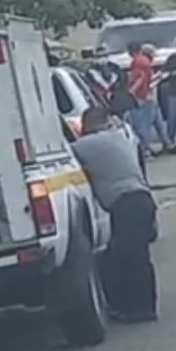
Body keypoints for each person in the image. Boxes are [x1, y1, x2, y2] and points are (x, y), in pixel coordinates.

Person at [71, 107, 159, 322]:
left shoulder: (84, 145)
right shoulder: (119, 137)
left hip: (126, 204)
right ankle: (137, 306)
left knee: (130, 258)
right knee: (128, 256)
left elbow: (66, 157)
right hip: (141, 200)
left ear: (86, 125)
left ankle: (139, 310)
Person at [125, 43, 173, 156]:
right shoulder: (144, 62)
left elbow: (141, 78)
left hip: (144, 96)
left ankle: (147, 148)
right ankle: (162, 145)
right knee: (152, 123)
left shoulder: (139, 61)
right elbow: (144, 79)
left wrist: (132, 91)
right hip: (148, 96)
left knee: (148, 124)